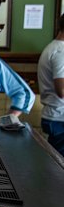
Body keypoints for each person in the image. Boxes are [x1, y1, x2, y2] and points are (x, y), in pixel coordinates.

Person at [37, 13, 64, 156]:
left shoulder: (52, 48)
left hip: (54, 117)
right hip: (59, 119)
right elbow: (62, 90)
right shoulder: (61, 52)